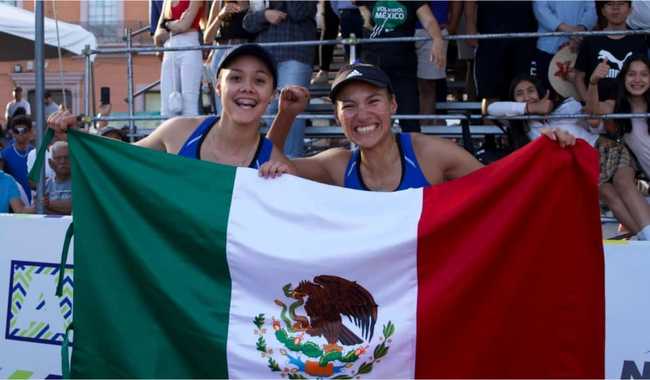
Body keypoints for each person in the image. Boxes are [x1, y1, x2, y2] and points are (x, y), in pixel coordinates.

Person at [264, 63, 573, 191]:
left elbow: (501, 186)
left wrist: (544, 151)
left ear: (393, 106)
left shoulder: (430, 154)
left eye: (373, 101)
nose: (362, 115)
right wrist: (287, 115)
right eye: (349, 106)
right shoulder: (337, 164)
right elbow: (265, 164)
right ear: (337, 118)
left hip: (425, 296)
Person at [50, 44, 295, 176]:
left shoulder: (277, 165)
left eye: (260, 81)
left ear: (272, 96)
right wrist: (75, 138)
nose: (247, 88)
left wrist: (282, 188)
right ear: (217, 87)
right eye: (236, 78)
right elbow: (119, 159)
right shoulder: (179, 132)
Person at [488, 74, 650, 239]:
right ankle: (645, 240)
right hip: (587, 166)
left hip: (608, 151)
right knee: (608, 194)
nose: (527, 96)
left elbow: (592, 121)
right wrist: (529, 109)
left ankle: (647, 236)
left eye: (531, 90)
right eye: (519, 93)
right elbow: (491, 109)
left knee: (623, 184)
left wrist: (548, 107)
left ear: (542, 92)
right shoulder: (523, 128)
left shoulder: (567, 107)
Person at [586, 54, 650, 239]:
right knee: (616, 182)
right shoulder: (619, 107)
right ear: (623, 79)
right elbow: (593, 111)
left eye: (644, 75)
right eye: (631, 74)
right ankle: (646, 238)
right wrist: (593, 82)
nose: (637, 80)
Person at [356, 1, 445, 133]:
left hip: (403, 66)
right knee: (373, 117)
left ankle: (410, 151)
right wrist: (364, 14)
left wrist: (437, 39)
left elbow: (429, 20)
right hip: (373, 66)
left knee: (409, 119)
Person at [243, 1, 317, 158]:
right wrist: (264, 15)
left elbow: (299, 11)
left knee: (291, 106)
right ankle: (273, 159)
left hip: (296, 54)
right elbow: (247, 24)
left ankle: (292, 162)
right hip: (265, 58)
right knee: (269, 109)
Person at [574, 0, 646, 102]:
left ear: (630, 10)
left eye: (621, 3)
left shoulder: (639, 39)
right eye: (610, 4)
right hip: (597, 108)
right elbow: (579, 78)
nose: (615, 8)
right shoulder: (591, 40)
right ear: (602, 11)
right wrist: (590, 104)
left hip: (628, 108)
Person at [465, 1, 537, 101]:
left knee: (525, 87)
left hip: (525, 34)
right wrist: (470, 24)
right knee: (490, 92)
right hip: (490, 33)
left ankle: (524, 116)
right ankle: (490, 116)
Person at [532, 1, 597, 96]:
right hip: (548, 48)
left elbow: (591, 10)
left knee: (580, 97)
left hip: (580, 48)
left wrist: (581, 29)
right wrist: (572, 31)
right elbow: (541, 10)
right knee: (545, 94)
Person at [154, 0, 205, 117]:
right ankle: (168, 135)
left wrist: (167, 25)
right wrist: (175, 25)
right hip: (169, 48)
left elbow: (184, 25)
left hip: (189, 46)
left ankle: (189, 135)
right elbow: (157, 35)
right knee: (167, 106)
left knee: (189, 106)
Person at [0, 115, 33, 203]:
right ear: (12, 132)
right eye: (16, 131)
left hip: (36, 202)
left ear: (30, 132)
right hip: (14, 205)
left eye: (24, 130)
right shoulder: (4, 154)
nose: (20, 134)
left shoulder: (35, 153)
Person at [43, 141, 72, 215]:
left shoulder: (82, 184)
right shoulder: (44, 186)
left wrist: (49, 204)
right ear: (50, 163)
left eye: (67, 157)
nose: (63, 161)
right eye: (58, 158)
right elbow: (36, 209)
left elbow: (79, 206)